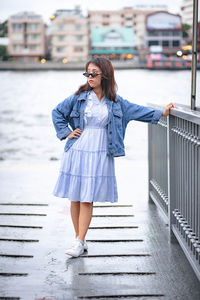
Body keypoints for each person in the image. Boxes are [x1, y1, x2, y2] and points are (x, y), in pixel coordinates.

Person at [51, 57, 174, 258]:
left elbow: (138, 111)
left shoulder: (116, 102)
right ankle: (79, 240)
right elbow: (57, 112)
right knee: (75, 196)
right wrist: (66, 132)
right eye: (87, 73)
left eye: (94, 73)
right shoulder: (79, 97)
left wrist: (162, 113)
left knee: (87, 198)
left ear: (105, 76)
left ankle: (79, 240)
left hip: (100, 150)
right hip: (77, 148)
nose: (89, 77)